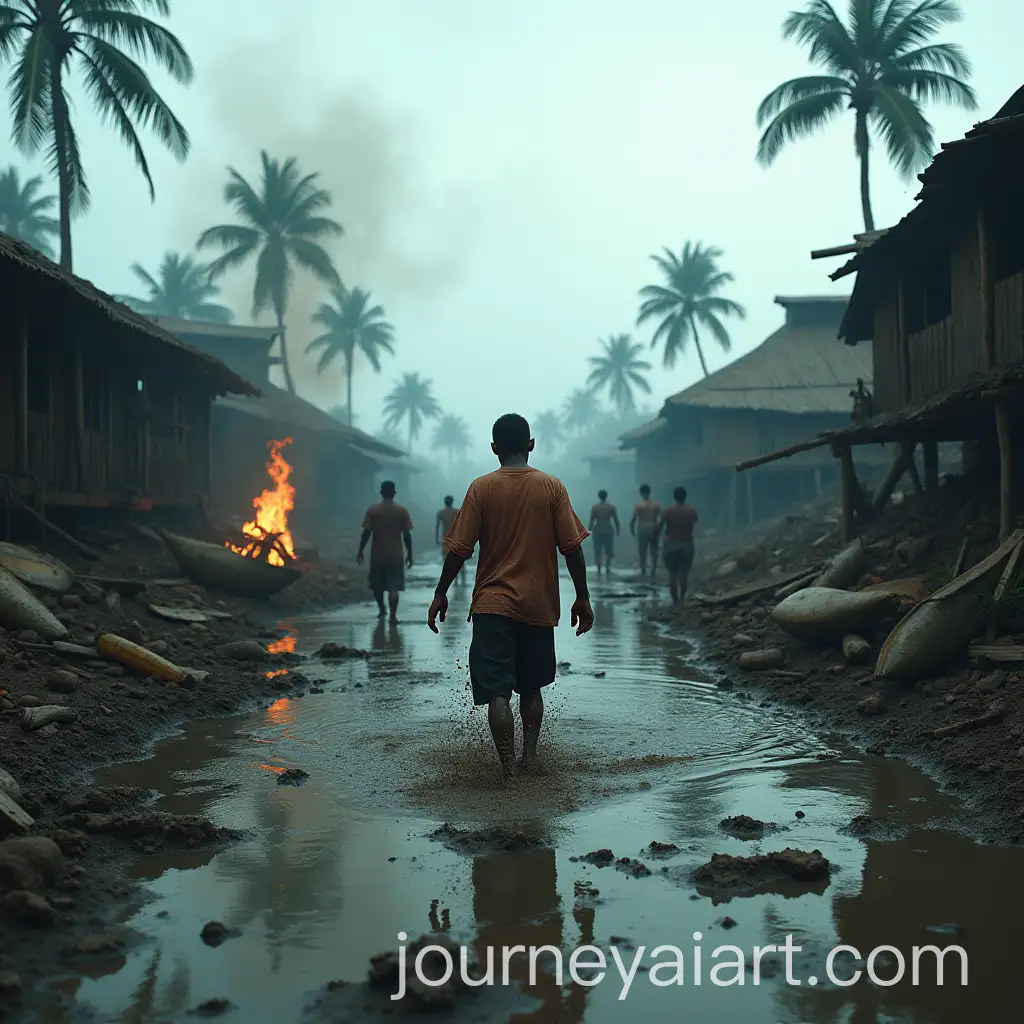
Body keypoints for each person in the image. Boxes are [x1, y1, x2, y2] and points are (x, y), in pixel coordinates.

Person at [427, 413, 594, 781]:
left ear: (494, 448)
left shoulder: (481, 488)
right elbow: (572, 548)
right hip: (537, 604)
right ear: (531, 444)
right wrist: (582, 597)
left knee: (498, 694)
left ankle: (507, 770)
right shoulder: (552, 488)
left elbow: (459, 550)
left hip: (492, 606)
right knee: (531, 688)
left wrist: (440, 592)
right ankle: (530, 758)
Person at [357, 480, 413, 622]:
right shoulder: (401, 511)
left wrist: (360, 550)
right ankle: (393, 616)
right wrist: (410, 555)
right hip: (396, 554)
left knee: (377, 586)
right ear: (394, 493)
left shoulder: (373, 510)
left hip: (377, 554)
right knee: (394, 588)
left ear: (381, 493)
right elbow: (407, 535)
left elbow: (366, 533)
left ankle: (382, 609)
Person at [656, 485, 698, 607]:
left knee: (672, 573)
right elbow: (694, 522)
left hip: (671, 544)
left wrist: (655, 539)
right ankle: (682, 599)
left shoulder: (668, 510)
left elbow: (659, 526)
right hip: (686, 544)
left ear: (674, 496)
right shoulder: (691, 511)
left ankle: (674, 601)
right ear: (685, 496)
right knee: (683, 572)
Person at [630, 484, 662, 577]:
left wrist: (632, 529)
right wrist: (659, 529)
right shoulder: (656, 505)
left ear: (641, 493)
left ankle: (643, 570)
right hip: (653, 529)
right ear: (649, 492)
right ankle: (653, 569)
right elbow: (660, 518)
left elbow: (633, 519)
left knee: (642, 551)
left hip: (642, 530)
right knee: (654, 550)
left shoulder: (638, 506)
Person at [588, 490, 619, 577]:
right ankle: (607, 567)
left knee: (598, 550)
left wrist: (589, 530)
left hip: (598, 529)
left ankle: (599, 568)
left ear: (599, 496)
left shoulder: (595, 507)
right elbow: (616, 520)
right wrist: (618, 530)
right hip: (608, 529)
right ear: (606, 496)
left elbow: (591, 520)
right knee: (608, 549)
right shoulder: (611, 507)